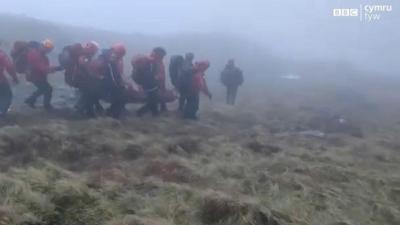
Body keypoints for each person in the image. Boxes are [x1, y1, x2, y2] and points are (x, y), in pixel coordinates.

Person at [59, 41, 101, 116]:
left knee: (90, 91)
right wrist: (95, 76)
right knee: (89, 92)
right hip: (75, 78)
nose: (95, 53)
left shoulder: (81, 53)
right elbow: (85, 67)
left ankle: (89, 111)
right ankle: (78, 110)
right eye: (95, 51)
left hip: (73, 77)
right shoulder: (84, 56)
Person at [90, 43, 127, 118]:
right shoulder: (103, 60)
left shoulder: (111, 60)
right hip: (100, 84)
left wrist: (121, 83)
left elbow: (117, 74)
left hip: (107, 84)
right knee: (121, 95)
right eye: (118, 54)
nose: (118, 57)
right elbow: (93, 72)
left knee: (122, 94)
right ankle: (112, 113)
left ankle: (112, 112)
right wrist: (101, 77)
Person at [24, 39, 62, 110]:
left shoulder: (41, 55)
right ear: (41, 46)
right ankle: (47, 106)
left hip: (37, 75)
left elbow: (45, 68)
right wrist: (57, 68)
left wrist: (53, 69)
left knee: (43, 88)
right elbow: (43, 68)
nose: (48, 51)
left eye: (49, 49)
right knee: (48, 89)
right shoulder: (35, 54)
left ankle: (30, 100)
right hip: (35, 76)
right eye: (47, 48)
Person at [134, 47, 167, 117]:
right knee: (152, 100)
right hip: (151, 85)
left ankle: (155, 113)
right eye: (162, 55)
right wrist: (156, 79)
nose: (163, 57)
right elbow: (149, 75)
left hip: (150, 84)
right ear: (158, 54)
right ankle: (140, 112)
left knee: (153, 99)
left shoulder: (151, 60)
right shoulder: (151, 61)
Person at [0, 49, 19, 117]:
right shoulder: (1, 54)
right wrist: (15, 78)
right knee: (7, 96)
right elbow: (9, 67)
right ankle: (2, 114)